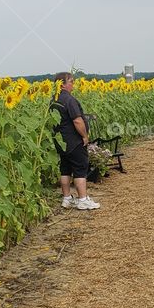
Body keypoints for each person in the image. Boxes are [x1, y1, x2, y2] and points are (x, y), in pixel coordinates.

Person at [51, 72, 100, 210]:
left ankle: (67, 199)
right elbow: (77, 120)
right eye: (71, 81)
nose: (73, 84)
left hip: (61, 141)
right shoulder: (69, 100)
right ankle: (83, 199)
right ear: (62, 84)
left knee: (65, 169)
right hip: (73, 141)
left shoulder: (54, 99)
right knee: (80, 169)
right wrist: (84, 136)